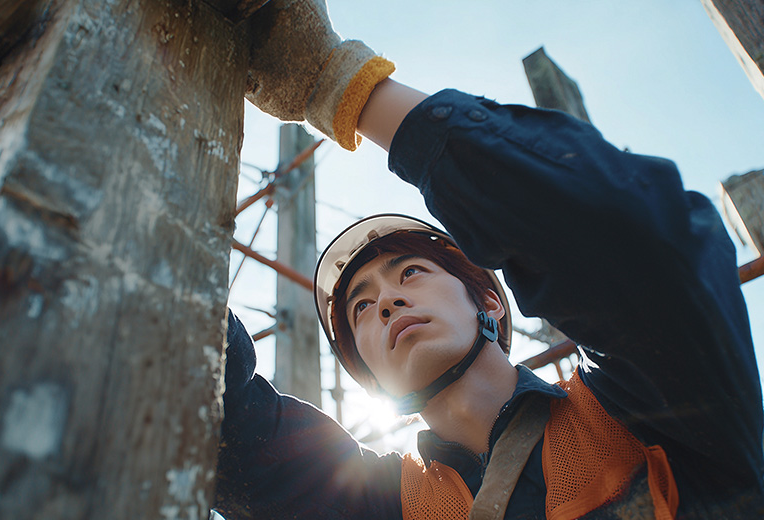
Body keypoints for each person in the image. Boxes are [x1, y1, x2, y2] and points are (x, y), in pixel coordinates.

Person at [213, 1, 764, 518]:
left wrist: (333, 83)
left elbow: (641, 247)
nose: (386, 301)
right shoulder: (382, 502)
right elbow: (222, 418)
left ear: (491, 302)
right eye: (360, 309)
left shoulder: (638, 409)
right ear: (370, 375)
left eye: (410, 273)